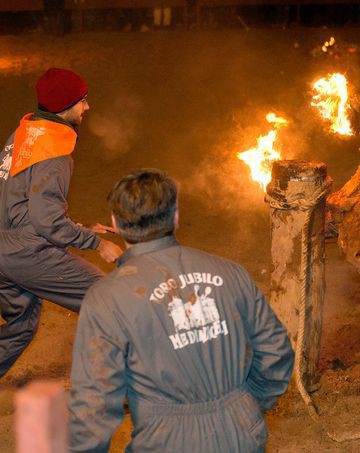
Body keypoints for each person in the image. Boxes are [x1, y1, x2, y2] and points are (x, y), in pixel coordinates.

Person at [69, 169, 294, 452]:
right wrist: (245, 405)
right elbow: (276, 352)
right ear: (175, 217)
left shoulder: (106, 298)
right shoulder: (230, 273)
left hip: (165, 440)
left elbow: (94, 403)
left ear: (115, 223)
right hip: (241, 435)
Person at [0, 67, 122, 377]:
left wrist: (80, 227)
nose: (87, 107)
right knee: (110, 300)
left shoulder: (25, 132)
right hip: (26, 254)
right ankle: (141, 381)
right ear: (65, 105)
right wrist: (97, 243)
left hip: (4, 246)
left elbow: (25, 203)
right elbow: (45, 220)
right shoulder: (55, 149)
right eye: (83, 101)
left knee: (20, 326)